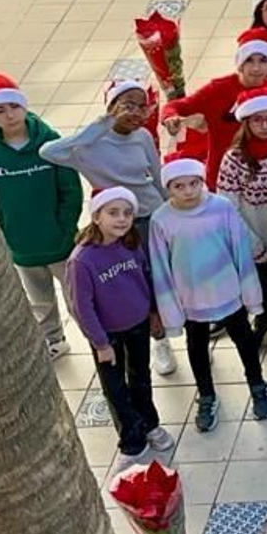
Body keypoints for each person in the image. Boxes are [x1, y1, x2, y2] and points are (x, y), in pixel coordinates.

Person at [41, 79, 179, 376]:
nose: (137, 112)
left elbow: (156, 175)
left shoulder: (142, 136)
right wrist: (100, 126)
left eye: (142, 106)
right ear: (111, 106)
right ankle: (159, 340)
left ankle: (168, 332)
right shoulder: (86, 145)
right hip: (117, 224)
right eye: (128, 104)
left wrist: (173, 211)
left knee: (163, 277)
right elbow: (47, 152)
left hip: (151, 215)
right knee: (135, 282)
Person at [148, 155, 267, 431]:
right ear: (168, 188)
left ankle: (257, 384)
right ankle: (206, 395)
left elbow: (241, 251)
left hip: (229, 294)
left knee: (244, 341)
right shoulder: (161, 220)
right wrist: (171, 310)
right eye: (179, 186)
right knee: (197, 347)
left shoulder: (222, 208)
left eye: (194, 183)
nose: (188, 191)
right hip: (191, 300)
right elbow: (160, 268)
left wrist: (250, 293)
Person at [66, 187, 173, 468]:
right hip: (107, 336)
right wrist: (100, 343)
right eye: (113, 213)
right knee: (115, 388)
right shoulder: (82, 260)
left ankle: (150, 424)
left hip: (137, 324)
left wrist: (153, 312)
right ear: (96, 216)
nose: (122, 219)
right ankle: (131, 440)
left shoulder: (131, 243)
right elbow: (81, 307)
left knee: (141, 378)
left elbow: (146, 278)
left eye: (127, 213)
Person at [0, 73, 83, 360]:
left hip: (60, 242)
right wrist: (5, 230)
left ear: (24, 107)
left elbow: (71, 190)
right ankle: (54, 340)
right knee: (40, 301)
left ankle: (96, 339)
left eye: (13, 106)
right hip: (21, 245)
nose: (9, 115)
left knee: (77, 298)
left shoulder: (49, 142)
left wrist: (64, 228)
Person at [215, 83, 267, 364]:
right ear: (246, 122)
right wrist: (253, 244)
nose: (265, 125)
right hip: (252, 239)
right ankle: (262, 322)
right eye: (257, 120)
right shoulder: (235, 159)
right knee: (260, 290)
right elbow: (227, 207)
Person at [158, 27, 267, 187]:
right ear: (240, 63)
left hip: (265, 173)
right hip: (221, 174)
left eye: (263, 60)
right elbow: (177, 106)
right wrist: (170, 117)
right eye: (249, 60)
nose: (256, 68)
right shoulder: (217, 89)